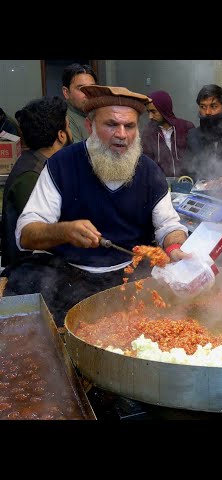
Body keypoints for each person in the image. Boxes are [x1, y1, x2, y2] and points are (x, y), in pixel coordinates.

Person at [0, 85, 189, 327]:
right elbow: (25, 234)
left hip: (130, 276)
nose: (122, 134)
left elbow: (168, 225)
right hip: (68, 274)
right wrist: (64, 231)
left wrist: (174, 246)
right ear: (90, 126)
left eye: (129, 126)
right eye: (111, 124)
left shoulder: (149, 171)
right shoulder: (62, 165)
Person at [1, 97, 72, 268]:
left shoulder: (40, 163)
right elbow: (39, 235)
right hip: (27, 272)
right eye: (68, 127)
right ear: (61, 136)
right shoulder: (31, 175)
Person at [184, 84, 222, 190]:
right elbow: (188, 173)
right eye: (203, 107)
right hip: (203, 195)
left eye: (213, 106)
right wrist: (202, 184)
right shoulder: (193, 136)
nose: (207, 112)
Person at [142, 90, 195, 178]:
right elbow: (147, 164)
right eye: (148, 112)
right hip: (162, 185)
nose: (150, 116)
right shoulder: (148, 133)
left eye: (153, 111)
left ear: (164, 109)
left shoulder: (186, 127)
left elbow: (196, 158)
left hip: (186, 183)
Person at [61, 63, 97, 144]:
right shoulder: (64, 120)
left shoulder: (99, 113)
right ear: (66, 92)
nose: (88, 93)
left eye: (92, 88)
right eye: (81, 88)